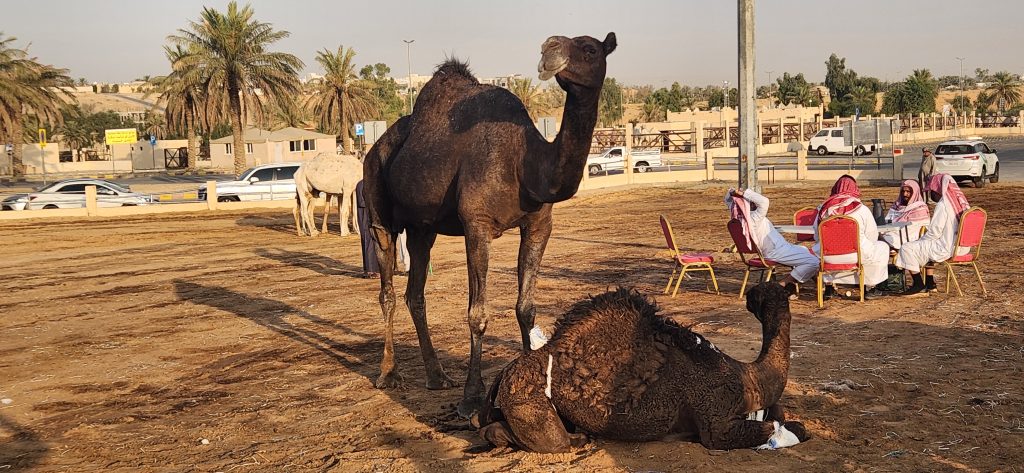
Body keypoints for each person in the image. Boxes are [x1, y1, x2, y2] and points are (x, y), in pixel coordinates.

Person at [726, 188, 819, 299]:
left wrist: (733, 192)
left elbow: (728, 200)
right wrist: (744, 193)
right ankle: (782, 284)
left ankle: (802, 285)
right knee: (814, 261)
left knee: (804, 250)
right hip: (777, 251)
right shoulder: (754, 218)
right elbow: (764, 201)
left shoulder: (739, 219)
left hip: (774, 250)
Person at [812, 175, 890, 299]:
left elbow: (816, 236)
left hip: (828, 257)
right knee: (882, 247)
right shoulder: (861, 209)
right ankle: (871, 287)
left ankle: (829, 287)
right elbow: (872, 236)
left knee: (818, 250)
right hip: (856, 256)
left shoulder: (823, 210)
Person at [895, 174, 971, 295]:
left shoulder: (943, 205)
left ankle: (918, 284)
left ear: (938, 189)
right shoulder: (962, 203)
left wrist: (921, 240)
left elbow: (935, 231)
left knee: (907, 248)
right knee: (924, 248)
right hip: (964, 248)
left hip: (947, 248)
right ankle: (930, 283)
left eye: (932, 191)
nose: (931, 194)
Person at [882, 179, 930, 249]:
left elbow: (912, 230)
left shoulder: (920, 208)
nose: (905, 194)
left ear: (914, 193)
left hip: (908, 237)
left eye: (908, 192)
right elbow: (887, 220)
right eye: (903, 191)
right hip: (893, 232)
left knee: (887, 238)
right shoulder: (896, 206)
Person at [355, 180, 379, 279]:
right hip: (366, 215)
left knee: (372, 243)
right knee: (368, 241)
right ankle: (370, 270)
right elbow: (362, 202)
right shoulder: (362, 184)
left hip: (369, 215)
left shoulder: (367, 183)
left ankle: (371, 268)